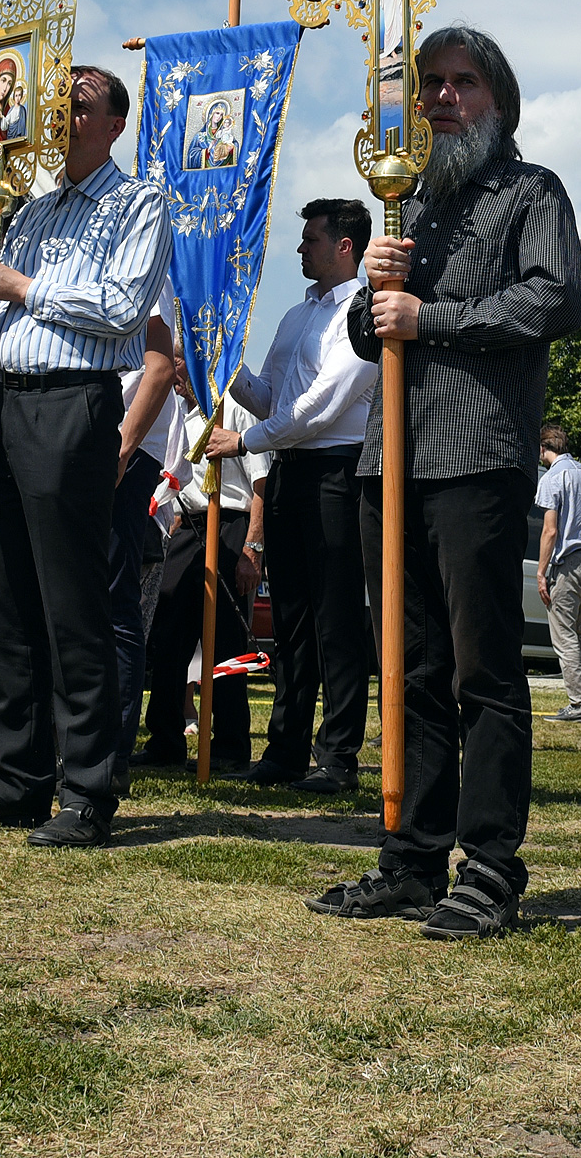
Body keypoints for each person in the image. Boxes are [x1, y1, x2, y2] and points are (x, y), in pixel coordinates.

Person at [311, 26, 581, 938]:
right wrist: (371, 292)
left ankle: (492, 869)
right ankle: (413, 858)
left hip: (476, 454)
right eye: (430, 84)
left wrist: (432, 317)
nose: (442, 99)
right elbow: (367, 333)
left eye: (463, 83)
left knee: (482, 672)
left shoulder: (530, 192)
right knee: (412, 670)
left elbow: (554, 299)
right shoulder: (405, 206)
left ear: (498, 100)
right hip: (390, 459)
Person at [0, 67, 173, 847]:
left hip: (74, 400)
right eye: (57, 104)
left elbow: (120, 309)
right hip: (6, 400)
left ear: (113, 124)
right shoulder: (26, 210)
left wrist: (23, 285)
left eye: (80, 107)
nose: (63, 117)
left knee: (73, 603)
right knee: (3, 601)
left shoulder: (138, 202)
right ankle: (19, 778)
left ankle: (89, 789)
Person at [208, 199, 375, 793]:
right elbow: (273, 397)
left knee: (335, 619)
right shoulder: (296, 314)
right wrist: (221, 366)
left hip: (336, 472)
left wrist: (243, 440)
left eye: (311, 239)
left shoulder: (362, 313)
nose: (301, 249)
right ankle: (285, 748)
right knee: (293, 619)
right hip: (290, 472)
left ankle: (337, 755)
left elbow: (321, 407)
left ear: (344, 247)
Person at [139, 390, 266, 771]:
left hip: (229, 522)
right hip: (189, 525)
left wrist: (252, 547)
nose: (176, 378)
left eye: (179, 363)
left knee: (226, 639)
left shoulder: (236, 407)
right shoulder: (182, 413)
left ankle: (229, 746)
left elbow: (261, 481)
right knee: (168, 634)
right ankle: (165, 739)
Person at [107, 279, 180, 792]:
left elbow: (159, 366)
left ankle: (111, 748)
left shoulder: (149, 279)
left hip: (125, 459)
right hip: (85, 442)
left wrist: (122, 449)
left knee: (118, 605)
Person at [536, 423, 581, 725]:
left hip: (567, 563)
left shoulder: (552, 478)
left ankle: (580, 704)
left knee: (563, 636)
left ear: (543, 449)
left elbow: (550, 531)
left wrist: (540, 572)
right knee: (575, 632)